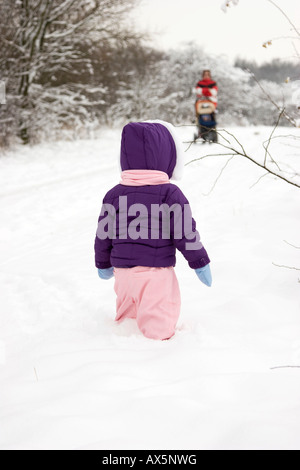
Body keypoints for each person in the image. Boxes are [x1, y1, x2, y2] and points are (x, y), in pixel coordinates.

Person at [94, 120, 212, 341]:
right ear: (167, 157)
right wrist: (200, 262)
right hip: (155, 274)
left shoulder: (113, 194)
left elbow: (103, 234)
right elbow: (185, 232)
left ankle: (119, 351)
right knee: (159, 325)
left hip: (123, 274)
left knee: (127, 322)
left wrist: (103, 264)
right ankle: (158, 361)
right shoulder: (170, 193)